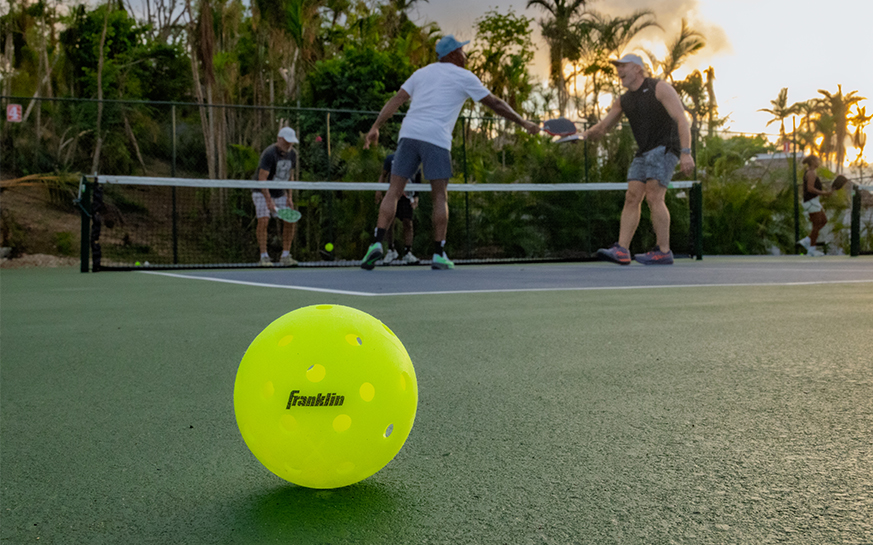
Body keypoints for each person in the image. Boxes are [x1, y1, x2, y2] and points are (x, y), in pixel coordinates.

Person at [360, 34, 541, 270]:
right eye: (463, 51)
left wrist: (376, 127)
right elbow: (495, 103)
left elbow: (397, 100)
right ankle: (439, 253)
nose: (466, 56)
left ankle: (376, 243)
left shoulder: (421, 73)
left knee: (393, 191)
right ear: (454, 55)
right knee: (439, 196)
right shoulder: (464, 76)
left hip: (409, 134)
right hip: (436, 138)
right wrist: (523, 122)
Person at [581, 53, 694, 265]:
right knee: (632, 196)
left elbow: (681, 118)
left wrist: (686, 152)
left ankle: (663, 251)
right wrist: (582, 136)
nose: (619, 70)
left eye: (623, 66)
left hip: (665, 147)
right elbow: (604, 127)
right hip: (644, 151)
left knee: (654, 196)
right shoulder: (624, 100)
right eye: (618, 67)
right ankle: (622, 250)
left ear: (637, 69)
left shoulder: (659, 88)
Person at [253, 127, 299, 266]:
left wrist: (289, 197)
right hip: (261, 192)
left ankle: (285, 256)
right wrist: (268, 201)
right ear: (279, 139)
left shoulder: (293, 154)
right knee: (264, 220)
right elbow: (262, 178)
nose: (289, 145)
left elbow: (290, 177)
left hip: (280, 193)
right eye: (286, 142)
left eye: (291, 143)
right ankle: (264, 257)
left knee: (291, 219)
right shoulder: (269, 153)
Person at [375, 153, 421, 265]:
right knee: (390, 223)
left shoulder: (414, 160)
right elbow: (383, 174)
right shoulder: (390, 158)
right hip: (393, 195)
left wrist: (416, 196)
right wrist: (378, 190)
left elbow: (418, 178)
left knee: (408, 223)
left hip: (407, 196)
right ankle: (391, 250)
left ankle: (408, 253)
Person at [797, 154, 832, 256]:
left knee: (823, 220)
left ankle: (807, 240)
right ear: (812, 161)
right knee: (816, 225)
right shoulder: (811, 173)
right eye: (817, 160)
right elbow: (810, 189)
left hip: (814, 201)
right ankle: (811, 250)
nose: (818, 162)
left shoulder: (812, 172)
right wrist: (824, 193)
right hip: (811, 201)